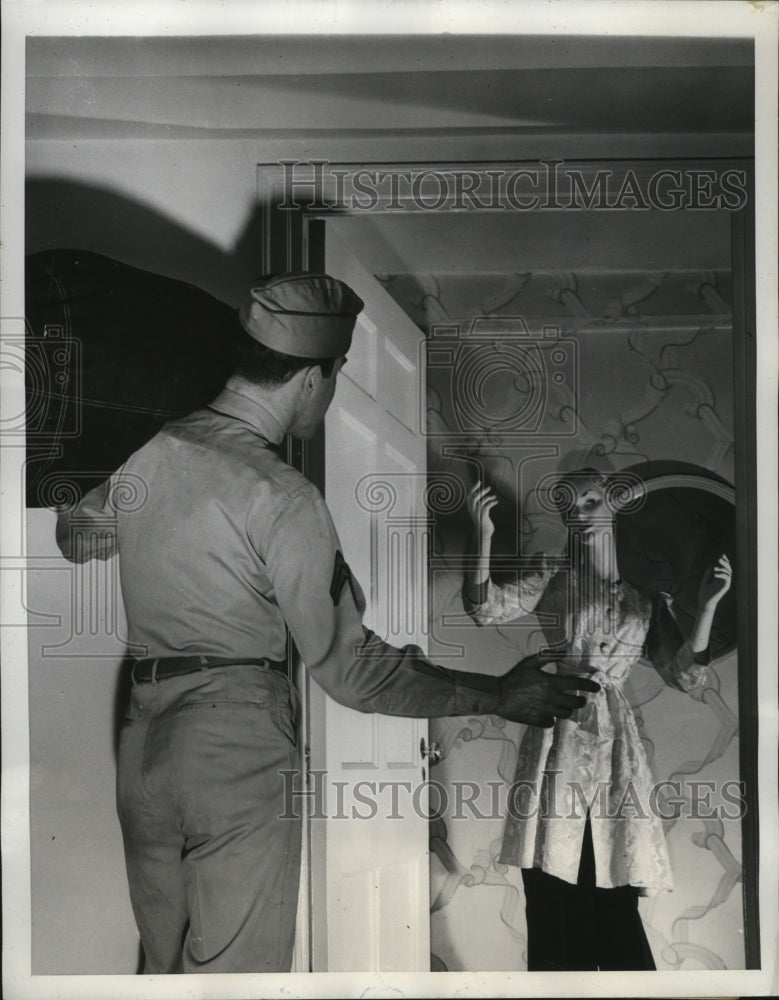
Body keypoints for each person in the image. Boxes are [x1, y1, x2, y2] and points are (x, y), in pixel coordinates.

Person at [55, 272, 600, 975]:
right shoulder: (282, 496)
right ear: (315, 376)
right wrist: (495, 694)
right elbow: (350, 669)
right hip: (231, 742)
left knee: (164, 976)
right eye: (338, 374)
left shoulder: (148, 446)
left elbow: (79, 540)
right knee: (238, 985)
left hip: (143, 741)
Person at [464, 470, 732, 972]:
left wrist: (708, 606)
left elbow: (686, 675)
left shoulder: (645, 600)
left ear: (613, 506)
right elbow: (485, 609)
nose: (579, 514)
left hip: (614, 743)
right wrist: (483, 535)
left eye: (590, 501)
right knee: (551, 881)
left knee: (613, 881)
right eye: (570, 507)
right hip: (558, 727)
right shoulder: (552, 575)